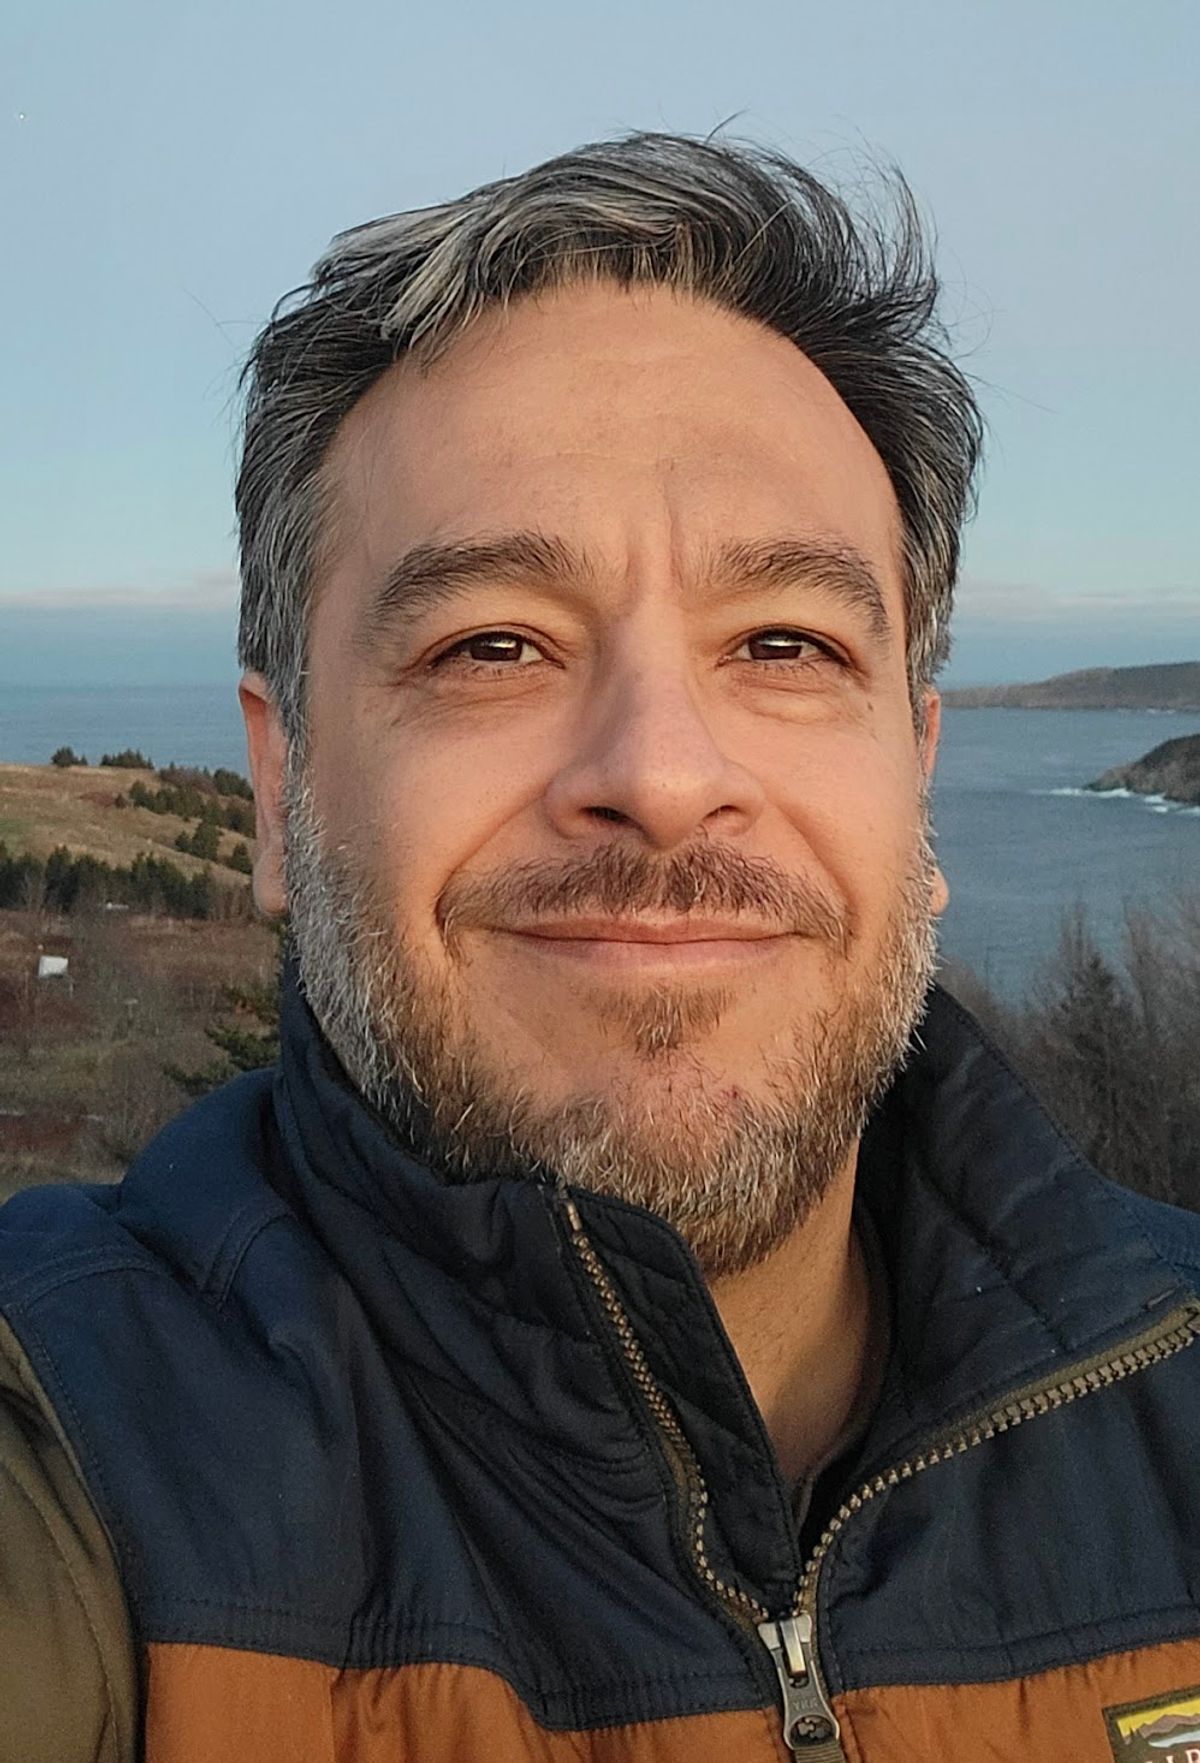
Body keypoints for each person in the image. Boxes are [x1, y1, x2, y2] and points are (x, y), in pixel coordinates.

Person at [2, 132, 1198, 1763]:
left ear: (914, 779)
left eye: (784, 642)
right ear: (282, 793)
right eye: (493, 643)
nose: (659, 770)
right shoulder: (70, 1455)